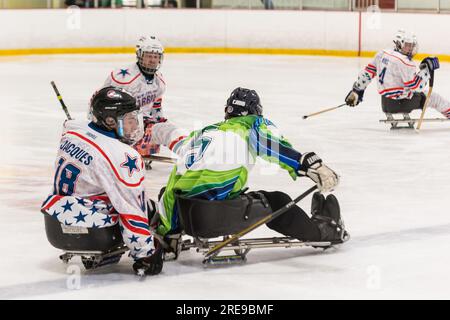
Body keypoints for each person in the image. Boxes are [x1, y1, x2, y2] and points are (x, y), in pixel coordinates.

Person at [151, 87, 346, 244]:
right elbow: (267, 143)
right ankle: (323, 233)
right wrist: (306, 164)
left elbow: (172, 151)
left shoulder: (204, 132)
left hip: (186, 216)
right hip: (213, 217)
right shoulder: (251, 124)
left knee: (177, 188)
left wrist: (167, 233)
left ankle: (173, 234)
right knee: (278, 201)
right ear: (256, 112)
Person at [41, 87, 163, 276]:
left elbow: (75, 127)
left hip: (56, 224)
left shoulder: (72, 129)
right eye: (129, 119)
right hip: (94, 234)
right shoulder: (123, 156)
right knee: (148, 208)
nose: (134, 125)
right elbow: (131, 211)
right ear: (109, 120)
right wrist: (146, 254)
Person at [345, 29, 450, 119]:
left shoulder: (382, 54)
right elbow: (417, 87)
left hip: (385, 103)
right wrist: (426, 70)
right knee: (433, 97)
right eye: (407, 45)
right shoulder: (405, 62)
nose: (410, 48)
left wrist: (357, 90)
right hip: (401, 103)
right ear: (399, 44)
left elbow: (368, 73)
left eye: (412, 45)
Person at [101, 35, 167, 160]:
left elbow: (156, 106)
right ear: (140, 55)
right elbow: (101, 100)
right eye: (148, 56)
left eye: (156, 56)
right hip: (121, 120)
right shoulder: (124, 78)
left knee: (161, 127)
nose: (152, 60)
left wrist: (158, 122)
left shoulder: (159, 80)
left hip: (142, 121)